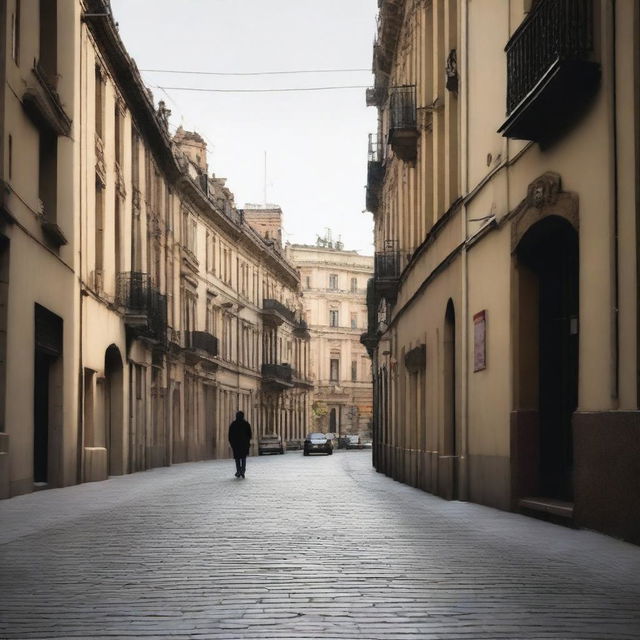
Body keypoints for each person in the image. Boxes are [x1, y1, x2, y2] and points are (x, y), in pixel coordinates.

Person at [228, 411, 252, 478]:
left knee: (237, 458)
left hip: (236, 445)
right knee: (243, 458)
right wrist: (247, 442)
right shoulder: (246, 424)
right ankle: (242, 471)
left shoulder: (233, 424)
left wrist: (232, 443)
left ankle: (238, 471)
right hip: (244, 444)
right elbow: (250, 434)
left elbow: (230, 435)